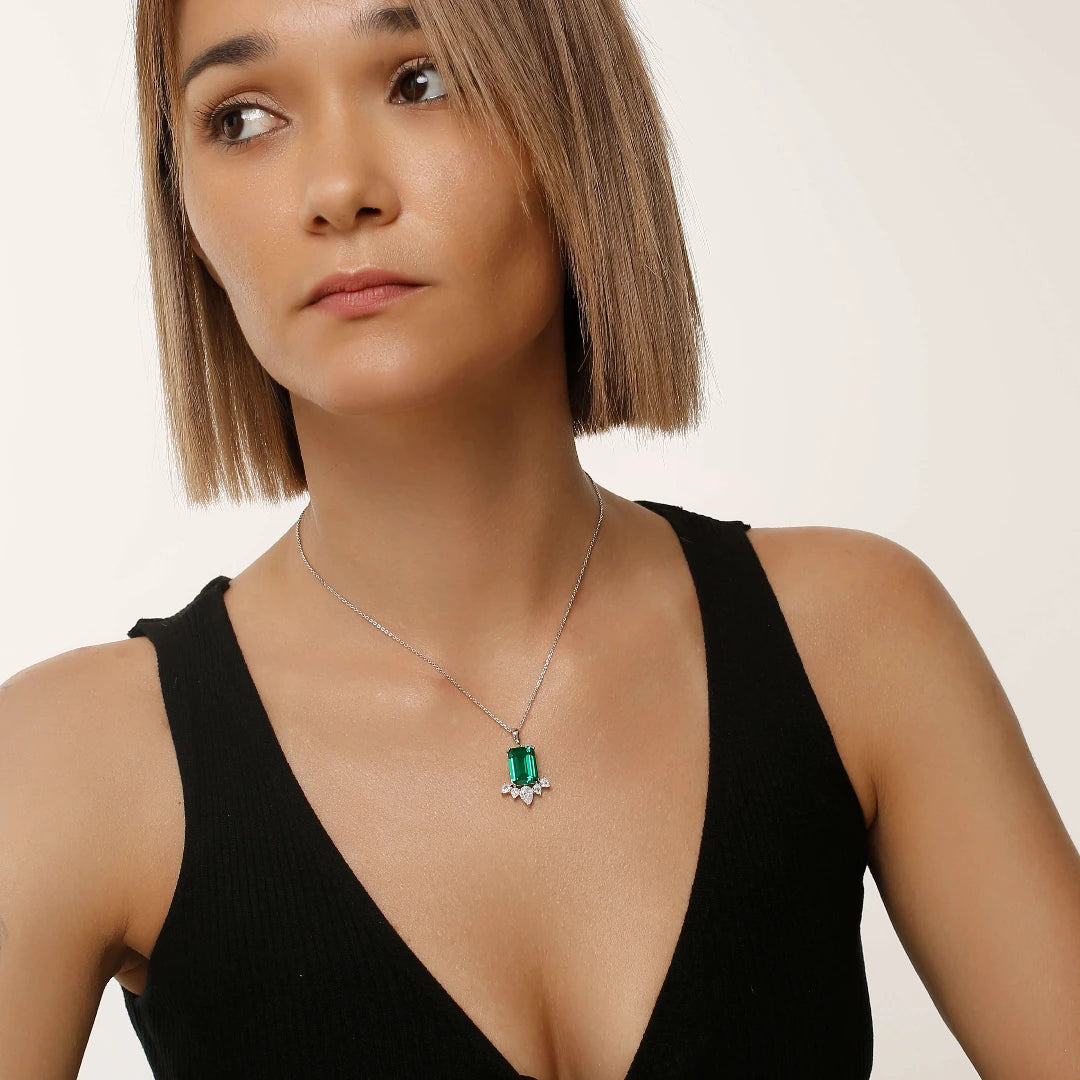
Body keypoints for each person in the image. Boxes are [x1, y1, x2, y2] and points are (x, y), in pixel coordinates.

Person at [1, 0, 1078, 1077]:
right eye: (241, 119)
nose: (337, 191)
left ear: (576, 118)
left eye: (422, 82)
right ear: (183, 206)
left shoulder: (855, 640)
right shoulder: (71, 764)